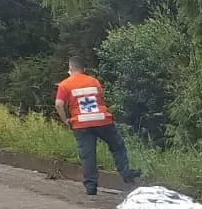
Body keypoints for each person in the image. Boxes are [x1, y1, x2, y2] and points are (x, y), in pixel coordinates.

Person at [54, 57, 140, 195]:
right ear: (84, 69)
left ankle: (91, 187)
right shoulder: (94, 81)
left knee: (87, 155)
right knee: (117, 146)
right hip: (102, 120)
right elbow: (99, 99)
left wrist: (66, 120)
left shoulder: (65, 84)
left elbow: (59, 104)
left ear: (70, 70)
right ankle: (125, 173)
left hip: (81, 124)